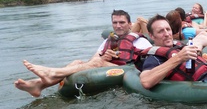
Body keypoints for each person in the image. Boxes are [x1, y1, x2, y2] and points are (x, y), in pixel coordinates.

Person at [14, 10, 152, 97]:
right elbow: (92, 61)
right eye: (115, 22)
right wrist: (104, 57)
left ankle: (50, 75)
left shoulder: (140, 41)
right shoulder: (109, 40)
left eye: (122, 22)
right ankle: (39, 84)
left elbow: (148, 63)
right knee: (77, 62)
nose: (118, 26)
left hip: (129, 70)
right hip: (107, 65)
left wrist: (102, 61)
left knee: (97, 62)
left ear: (129, 24)